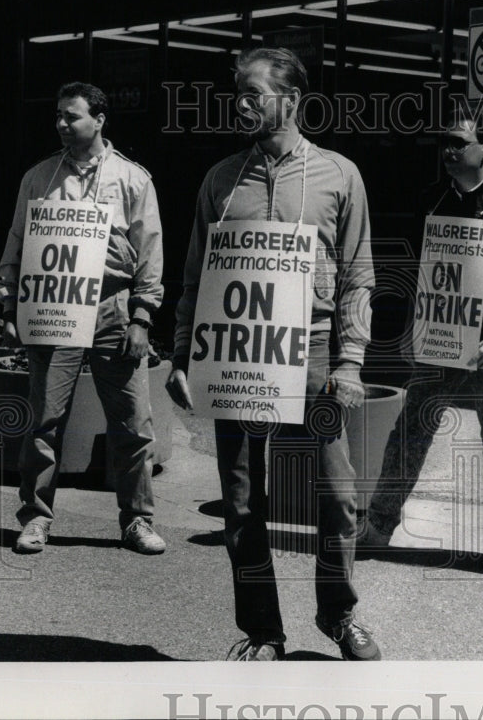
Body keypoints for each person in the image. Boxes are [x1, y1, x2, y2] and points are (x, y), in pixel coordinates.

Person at [166, 47, 380, 661]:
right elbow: (195, 277)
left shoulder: (339, 175)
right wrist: (183, 353)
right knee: (240, 500)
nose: (240, 102)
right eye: (237, 91)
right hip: (238, 357)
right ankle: (263, 630)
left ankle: (338, 614)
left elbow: (359, 277)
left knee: (337, 495)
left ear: (291, 98)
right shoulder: (219, 180)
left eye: (253, 92)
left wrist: (350, 360)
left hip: (312, 353)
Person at [358, 118, 483, 569]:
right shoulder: (432, 199)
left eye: (458, 143)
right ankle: (379, 525)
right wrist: (412, 327)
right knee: (411, 428)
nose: (447, 150)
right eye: (443, 143)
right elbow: (421, 273)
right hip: (440, 332)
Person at [0, 81, 166, 556]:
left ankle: (137, 520)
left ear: (100, 119)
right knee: (45, 420)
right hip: (54, 305)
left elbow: (150, 251)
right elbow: (16, 240)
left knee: (133, 422)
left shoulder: (133, 180)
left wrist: (142, 317)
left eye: (71, 116)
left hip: (113, 306)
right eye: (57, 115)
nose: (61, 124)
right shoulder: (39, 177)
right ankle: (35, 518)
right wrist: (9, 305)